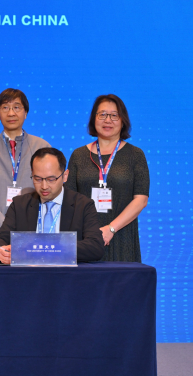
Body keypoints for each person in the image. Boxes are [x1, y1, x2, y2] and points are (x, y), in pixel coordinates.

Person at [65, 94, 149, 262]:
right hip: (85, 237)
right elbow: (69, 199)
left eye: (114, 115)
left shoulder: (135, 155)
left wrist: (111, 229)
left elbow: (141, 200)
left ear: (123, 120)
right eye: (102, 114)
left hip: (122, 234)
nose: (107, 120)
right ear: (93, 119)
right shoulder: (79, 155)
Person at [0, 148, 104, 264]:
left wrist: (49, 248)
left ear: (65, 176)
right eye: (38, 179)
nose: (44, 186)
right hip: (28, 275)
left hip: (66, 276)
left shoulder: (83, 205)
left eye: (51, 179)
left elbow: (95, 247)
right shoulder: (20, 205)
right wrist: (1, 251)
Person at [0, 88, 51, 247]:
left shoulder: (42, 147)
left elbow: (49, 192)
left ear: (26, 113)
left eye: (17, 107)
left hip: (34, 235)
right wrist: (5, 230)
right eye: (5, 107)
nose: (11, 113)